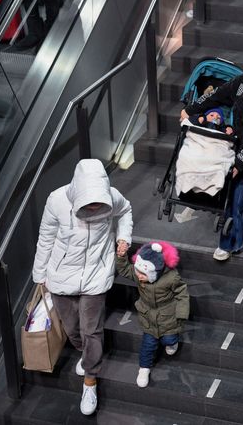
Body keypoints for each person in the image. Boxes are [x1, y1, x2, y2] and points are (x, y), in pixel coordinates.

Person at [31, 158, 133, 416]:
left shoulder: (113, 197)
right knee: (72, 329)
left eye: (100, 201)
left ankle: (90, 379)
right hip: (61, 275)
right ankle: (84, 352)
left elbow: (126, 211)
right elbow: (45, 238)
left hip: (96, 274)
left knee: (92, 331)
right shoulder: (56, 200)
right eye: (91, 202)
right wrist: (39, 273)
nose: (97, 206)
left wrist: (123, 237)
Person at [180, 49, 243, 261]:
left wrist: (239, 163)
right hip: (237, 144)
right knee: (233, 198)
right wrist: (191, 110)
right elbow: (216, 95)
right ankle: (228, 243)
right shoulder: (242, 83)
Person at [115, 241, 189, 388]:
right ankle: (144, 368)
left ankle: (173, 342)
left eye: (143, 274)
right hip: (148, 316)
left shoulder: (171, 278)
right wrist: (121, 256)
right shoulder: (138, 273)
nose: (139, 276)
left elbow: (182, 293)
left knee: (168, 338)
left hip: (167, 316)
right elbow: (124, 270)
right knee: (148, 344)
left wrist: (181, 314)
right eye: (138, 272)